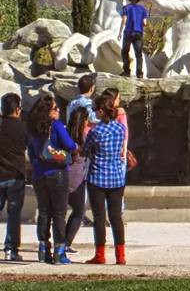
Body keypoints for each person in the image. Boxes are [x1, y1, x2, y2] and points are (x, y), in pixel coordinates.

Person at [27, 95, 77, 265]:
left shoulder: (33, 128)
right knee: (59, 213)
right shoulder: (56, 126)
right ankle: (60, 251)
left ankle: (43, 249)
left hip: (39, 174)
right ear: (49, 111)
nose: (58, 111)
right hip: (57, 172)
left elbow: (32, 152)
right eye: (55, 109)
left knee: (43, 212)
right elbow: (70, 145)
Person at [83, 91, 127, 265]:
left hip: (98, 178)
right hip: (116, 178)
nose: (94, 112)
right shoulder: (120, 128)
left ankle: (100, 254)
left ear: (101, 111)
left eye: (96, 110)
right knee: (116, 217)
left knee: (99, 217)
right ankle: (120, 255)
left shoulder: (96, 131)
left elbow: (86, 150)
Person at [0, 93, 27, 261]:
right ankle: (11, 249)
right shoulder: (23, 128)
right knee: (14, 214)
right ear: (18, 110)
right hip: (16, 175)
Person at [65, 107, 91, 254]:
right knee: (79, 211)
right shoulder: (85, 136)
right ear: (84, 121)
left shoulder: (66, 134)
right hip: (78, 178)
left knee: (59, 212)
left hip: (64, 175)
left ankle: (58, 242)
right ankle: (66, 241)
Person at [117, 0, 148, 78]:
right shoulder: (142, 9)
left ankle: (126, 71)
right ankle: (140, 73)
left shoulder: (126, 8)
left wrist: (119, 32)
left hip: (128, 33)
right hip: (138, 33)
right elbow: (145, 23)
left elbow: (124, 20)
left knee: (125, 52)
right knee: (138, 54)